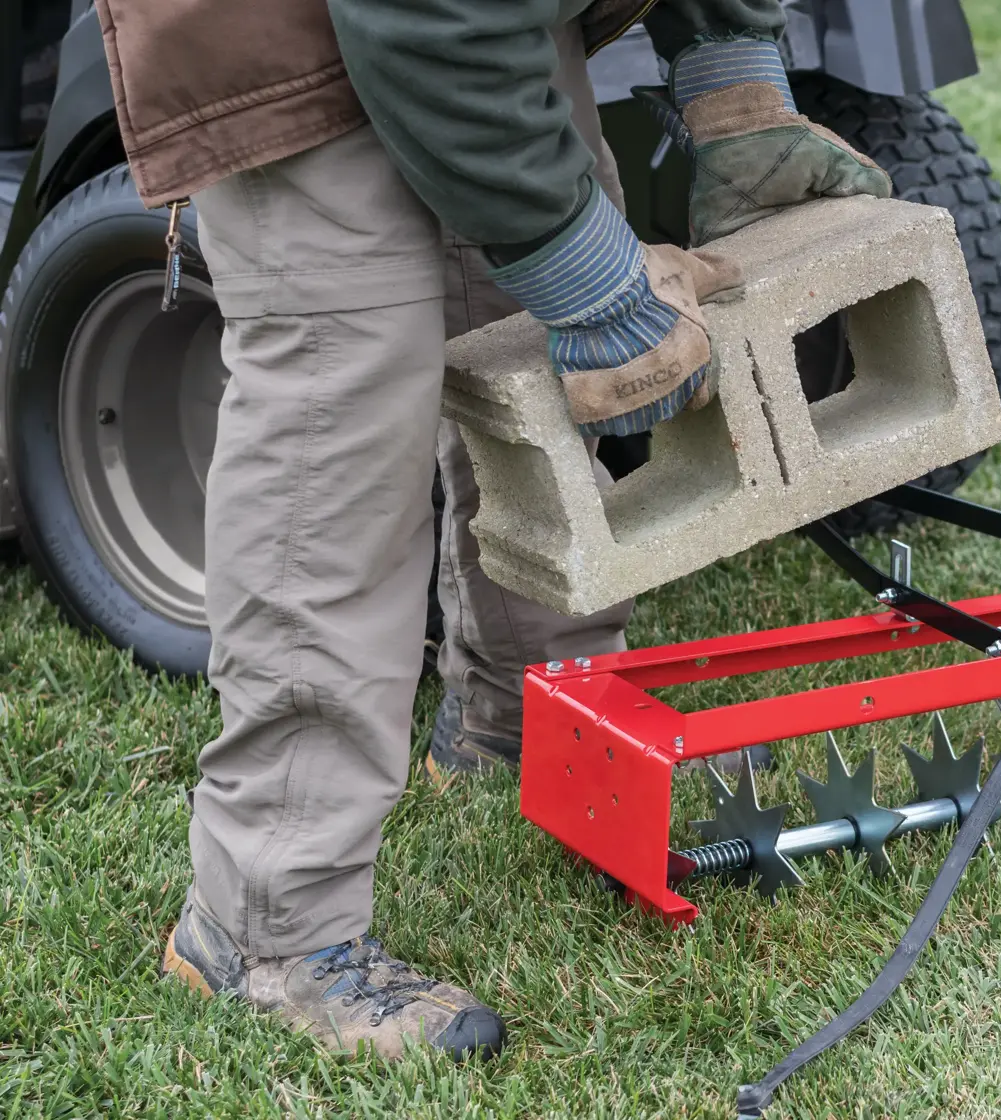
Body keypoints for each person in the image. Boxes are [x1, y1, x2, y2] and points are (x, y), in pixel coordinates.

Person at [90, 0, 891, 1060]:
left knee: (515, 302)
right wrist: (586, 277)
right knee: (340, 403)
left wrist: (733, 81)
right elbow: (424, 17)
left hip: (482, 19)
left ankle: (529, 726)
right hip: (288, 31)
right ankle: (264, 926)